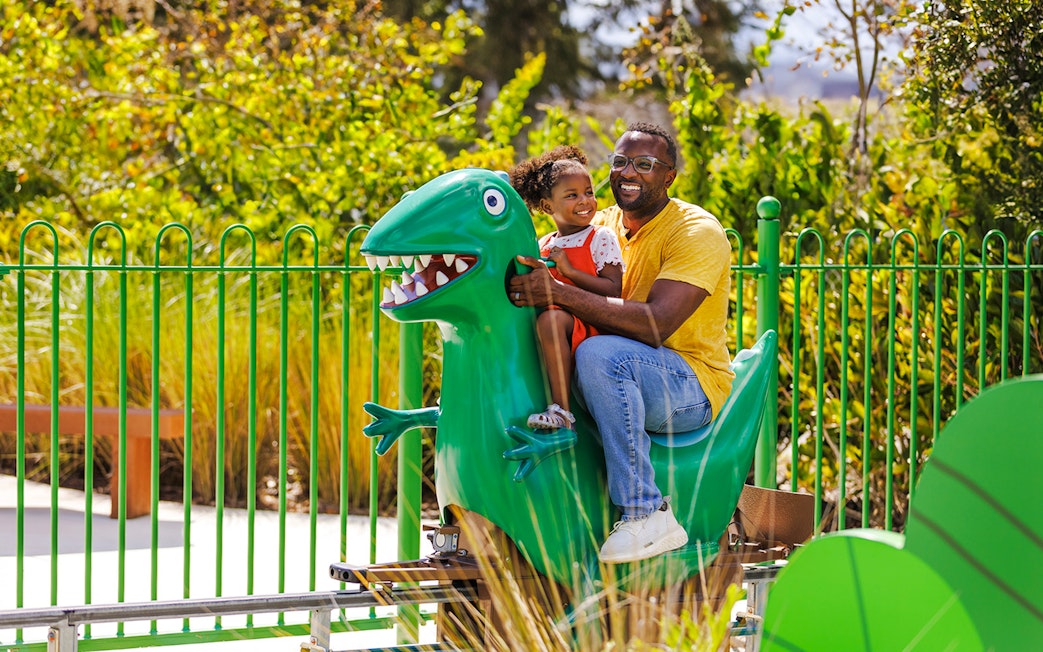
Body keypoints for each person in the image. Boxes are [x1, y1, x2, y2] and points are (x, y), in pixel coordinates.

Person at [507, 123, 734, 564]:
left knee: (597, 355)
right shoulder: (599, 223)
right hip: (614, 366)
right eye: (620, 162)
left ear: (669, 175)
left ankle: (647, 512)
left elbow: (656, 325)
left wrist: (557, 290)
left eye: (645, 164)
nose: (629, 172)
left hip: (687, 382)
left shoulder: (696, 232)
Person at [508, 145, 624, 432]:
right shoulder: (544, 244)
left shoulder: (601, 237)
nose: (585, 201)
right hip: (558, 330)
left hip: (592, 326)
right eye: (572, 195)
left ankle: (561, 412)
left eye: (589, 192)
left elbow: (613, 290)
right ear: (548, 207)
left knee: (549, 320)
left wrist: (569, 272)